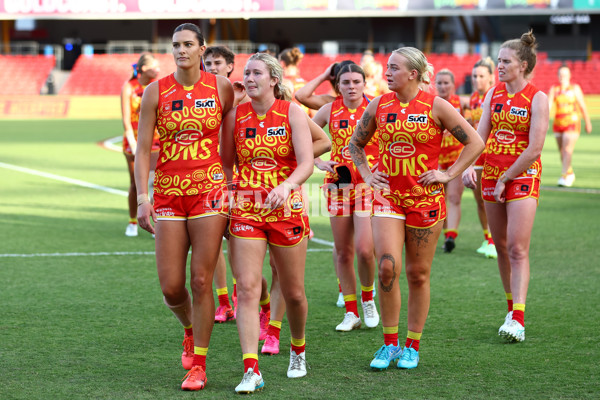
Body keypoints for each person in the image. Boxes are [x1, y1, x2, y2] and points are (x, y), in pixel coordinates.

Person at [349, 47, 484, 370]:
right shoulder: (379, 105)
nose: (387, 73)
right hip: (388, 198)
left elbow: (475, 142)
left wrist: (448, 174)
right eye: (387, 67)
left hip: (425, 201)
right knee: (386, 268)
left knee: (418, 274)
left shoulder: (437, 106)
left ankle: (412, 344)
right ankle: (389, 343)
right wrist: (367, 173)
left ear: (413, 74)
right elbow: (356, 143)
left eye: (394, 68)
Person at [134, 23, 234, 391]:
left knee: (201, 279)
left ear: (201, 48)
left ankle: (200, 366)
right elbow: (143, 150)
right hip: (167, 195)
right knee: (172, 287)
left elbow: (231, 144)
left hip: (209, 193)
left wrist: (235, 186)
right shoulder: (154, 92)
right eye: (175, 45)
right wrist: (143, 199)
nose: (181, 50)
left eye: (188, 44)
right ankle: (190, 330)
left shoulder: (221, 88)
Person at [221, 52, 314, 393]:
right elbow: (227, 165)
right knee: (246, 287)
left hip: (286, 210)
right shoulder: (235, 116)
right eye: (246, 72)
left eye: (256, 72)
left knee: (293, 292)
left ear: (273, 79)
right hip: (246, 210)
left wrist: (287, 185)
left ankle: (298, 349)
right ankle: (251, 369)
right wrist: (231, 194)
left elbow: (305, 163)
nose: (249, 77)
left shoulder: (292, 113)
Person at [463, 31, 548, 343]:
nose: (499, 65)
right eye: (498, 60)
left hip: (521, 176)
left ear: (522, 65)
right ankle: (511, 309)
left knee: (516, 246)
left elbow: (534, 149)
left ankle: (519, 318)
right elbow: (479, 138)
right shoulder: (492, 95)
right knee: (500, 246)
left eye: (505, 61)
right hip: (492, 176)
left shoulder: (538, 98)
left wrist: (505, 177)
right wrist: (469, 165)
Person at [312, 63, 379, 332]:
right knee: (342, 251)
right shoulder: (329, 109)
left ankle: (367, 298)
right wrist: (317, 161)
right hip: (338, 184)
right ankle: (351, 312)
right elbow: (303, 136)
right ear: (338, 85)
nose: (351, 86)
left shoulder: (376, 107)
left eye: (356, 81)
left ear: (364, 84)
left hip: (368, 184)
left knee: (364, 249)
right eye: (346, 82)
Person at [120, 52, 160, 237]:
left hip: (156, 141)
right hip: (134, 141)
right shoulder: (129, 87)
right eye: (154, 65)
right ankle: (132, 221)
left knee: (157, 183)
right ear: (144, 68)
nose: (158, 69)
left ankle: (156, 222)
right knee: (135, 184)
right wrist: (133, 144)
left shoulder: (158, 86)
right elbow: (126, 121)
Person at [435, 69, 470, 253]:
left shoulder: (462, 104)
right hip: (436, 160)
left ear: (453, 84)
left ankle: (451, 236)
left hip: (456, 157)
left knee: (454, 197)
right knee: (439, 198)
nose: (442, 86)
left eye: (446, 82)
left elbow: (472, 128)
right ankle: (444, 233)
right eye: (439, 83)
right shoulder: (430, 104)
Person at [469, 58, 497, 259]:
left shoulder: (496, 96)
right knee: (479, 199)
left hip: (494, 155)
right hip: (478, 155)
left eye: (481, 76)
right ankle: (488, 238)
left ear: (490, 78)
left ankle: (496, 240)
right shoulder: (472, 99)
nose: (477, 80)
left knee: (493, 199)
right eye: (474, 76)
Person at [547, 65, 592, 187]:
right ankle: (570, 172)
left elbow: (582, 106)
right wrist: (544, 121)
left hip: (572, 123)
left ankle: (564, 176)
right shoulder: (554, 89)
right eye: (560, 74)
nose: (563, 77)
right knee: (562, 152)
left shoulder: (575, 89)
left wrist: (587, 122)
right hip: (558, 123)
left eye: (565, 74)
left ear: (569, 76)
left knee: (567, 149)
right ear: (557, 76)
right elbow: (549, 106)